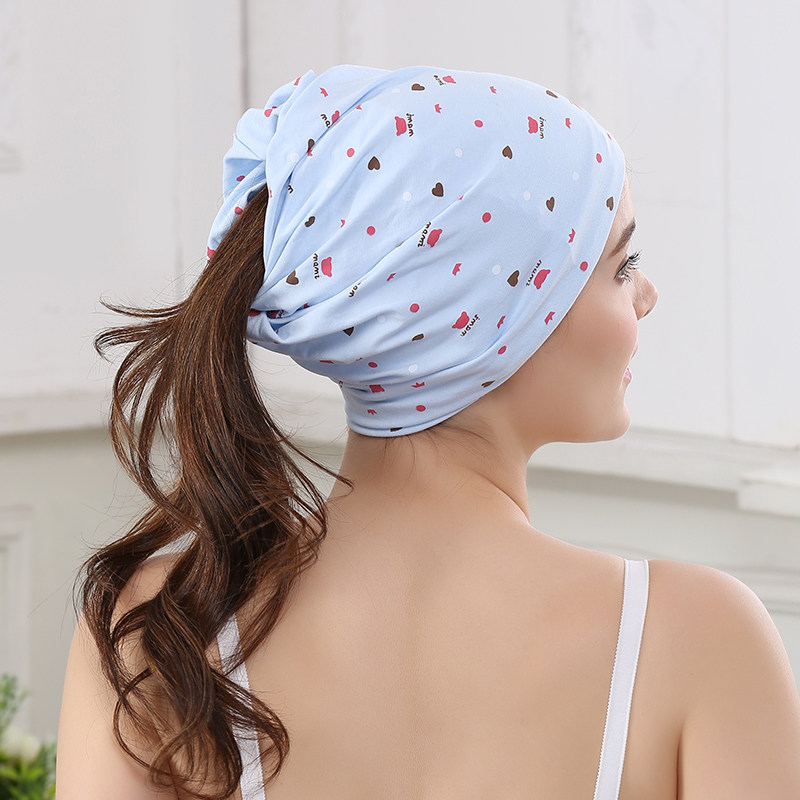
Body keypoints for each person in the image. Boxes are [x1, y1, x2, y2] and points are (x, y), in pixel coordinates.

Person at [56, 65, 800, 800]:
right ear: (501, 320)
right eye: (620, 265)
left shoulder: (155, 629)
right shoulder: (700, 639)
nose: (647, 295)